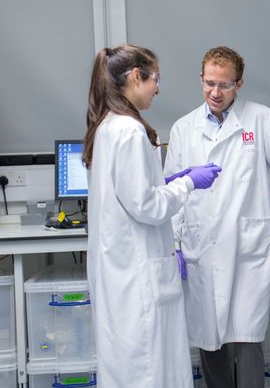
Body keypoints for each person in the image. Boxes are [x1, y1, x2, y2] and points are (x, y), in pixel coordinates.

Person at [164, 46, 270, 388]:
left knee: (247, 337)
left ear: (239, 84)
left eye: (225, 85)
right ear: (201, 79)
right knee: (209, 337)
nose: (215, 92)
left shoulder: (261, 119)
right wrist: (173, 243)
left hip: (246, 247)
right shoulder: (183, 128)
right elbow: (173, 192)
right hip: (201, 245)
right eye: (210, 83)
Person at [83, 44, 222, 387]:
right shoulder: (130, 131)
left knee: (129, 367)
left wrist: (166, 181)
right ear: (134, 77)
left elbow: (131, 193)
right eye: (154, 79)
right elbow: (147, 207)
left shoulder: (108, 127)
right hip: (137, 276)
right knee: (148, 371)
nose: (158, 88)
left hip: (121, 272)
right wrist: (189, 182)